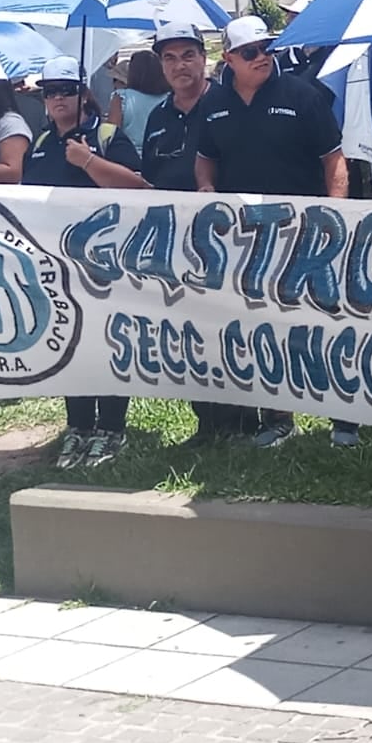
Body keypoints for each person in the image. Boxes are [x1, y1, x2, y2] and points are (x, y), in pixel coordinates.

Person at [197, 15, 346, 448]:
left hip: (306, 231)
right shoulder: (214, 102)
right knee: (263, 325)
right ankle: (277, 416)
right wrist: (205, 187)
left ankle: (345, 417)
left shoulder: (303, 93)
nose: (262, 57)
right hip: (245, 237)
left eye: (267, 48)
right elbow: (205, 159)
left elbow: (334, 160)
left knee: (322, 322)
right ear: (229, 59)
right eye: (250, 52)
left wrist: (336, 218)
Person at [22, 57, 146, 468]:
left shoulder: (107, 135)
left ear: (83, 93)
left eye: (65, 89)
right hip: (57, 265)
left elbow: (142, 186)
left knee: (107, 343)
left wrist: (89, 162)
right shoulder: (39, 145)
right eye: (49, 91)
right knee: (69, 343)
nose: (56, 98)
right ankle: (78, 425)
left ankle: (111, 427)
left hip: (107, 263)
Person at [140, 23, 259, 444]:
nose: (179, 65)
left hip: (232, 240)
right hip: (178, 244)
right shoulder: (157, 117)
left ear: (205, 57)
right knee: (191, 333)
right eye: (169, 58)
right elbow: (151, 178)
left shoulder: (229, 104)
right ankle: (207, 421)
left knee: (234, 330)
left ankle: (247, 421)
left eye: (187, 55)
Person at [107, 49, 170, 152]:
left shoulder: (121, 97)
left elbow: (111, 134)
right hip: (162, 156)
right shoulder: (171, 97)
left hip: (129, 157)